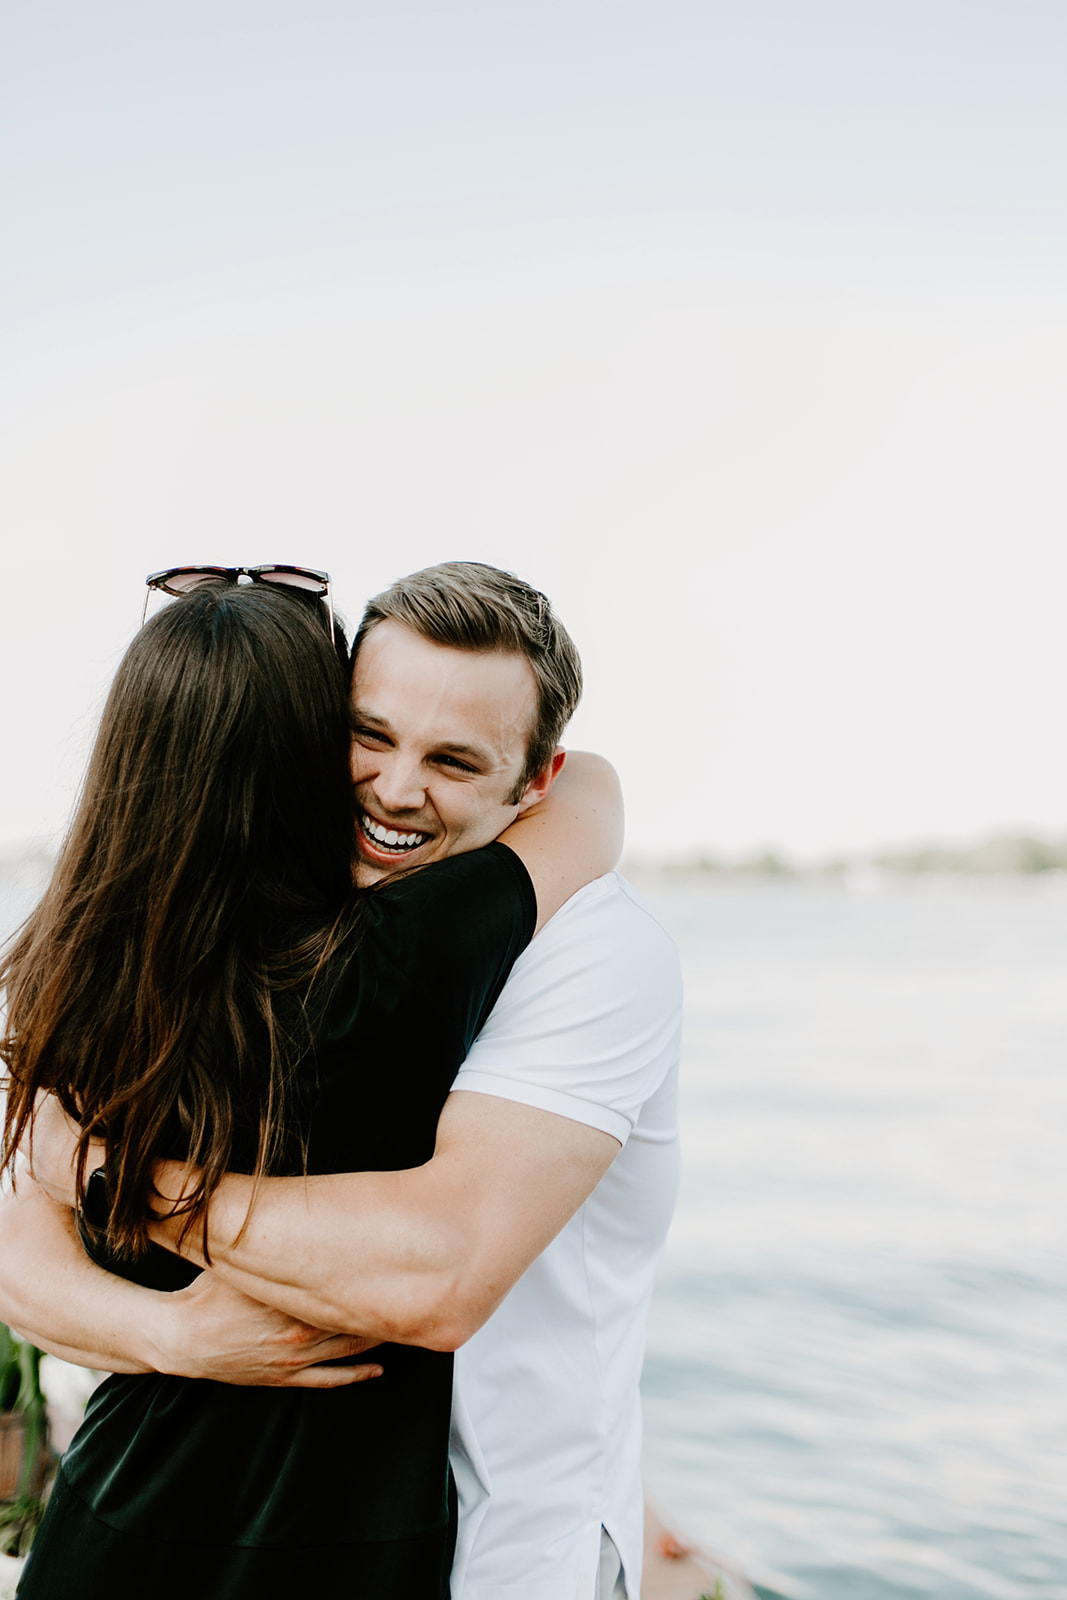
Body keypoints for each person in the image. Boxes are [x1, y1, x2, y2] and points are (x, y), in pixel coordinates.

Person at [5, 561, 683, 1600]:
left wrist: (112, 1179)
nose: (397, 787)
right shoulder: (307, 948)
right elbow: (18, 1256)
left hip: (495, 1551)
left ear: (531, 783)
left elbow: (436, 1276)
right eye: (367, 735)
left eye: (454, 760)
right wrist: (179, 1333)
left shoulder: (584, 953)